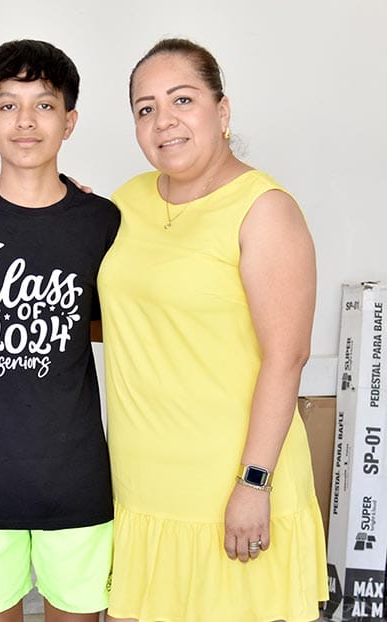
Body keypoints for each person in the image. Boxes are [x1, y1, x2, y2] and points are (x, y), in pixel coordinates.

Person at [97, 38, 328, 621]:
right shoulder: (126, 202)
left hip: (229, 485)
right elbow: (121, 316)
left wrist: (255, 483)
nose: (163, 120)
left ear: (222, 111)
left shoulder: (264, 209)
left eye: (182, 99)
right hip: (141, 485)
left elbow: (287, 357)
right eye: (146, 108)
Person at [0, 40, 119, 622]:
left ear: (70, 120)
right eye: (8, 105)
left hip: (78, 480)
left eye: (44, 104)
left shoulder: (102, 220)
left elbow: (109, 324)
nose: (26, 121)